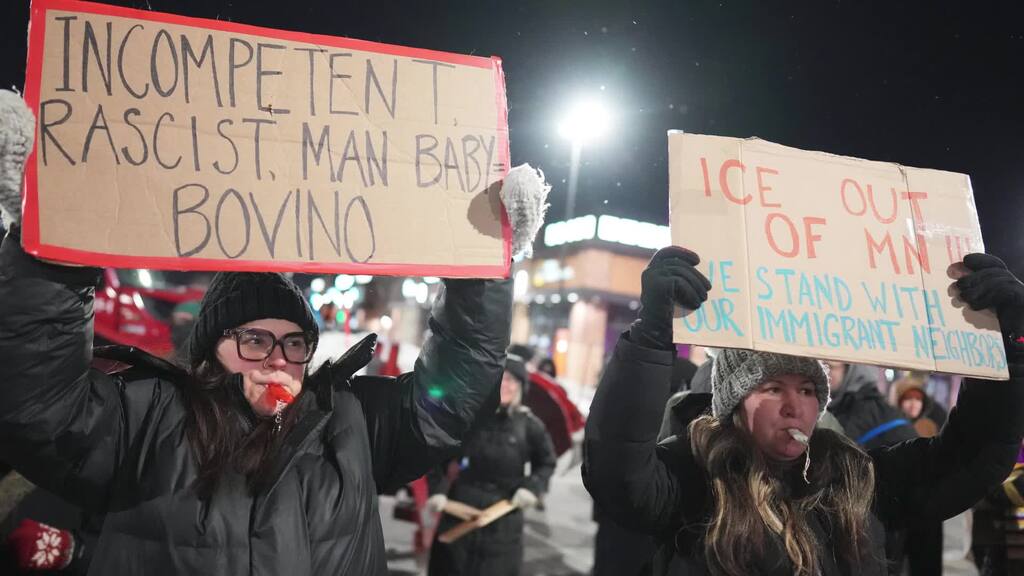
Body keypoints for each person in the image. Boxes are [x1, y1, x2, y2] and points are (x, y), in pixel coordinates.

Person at [0, 97, 529, 576]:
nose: (277, 360)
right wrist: (48, 254)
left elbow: (454, 398)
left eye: (294, 342)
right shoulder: (147, 418)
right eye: (255, 340)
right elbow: (39, 405)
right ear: (213, 346)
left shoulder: (351, 422)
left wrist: (482, 279)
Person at [583, 246, 1024, 576]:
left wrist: (1010, 350)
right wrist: (651, 334)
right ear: (734, 401)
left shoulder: (855, 477)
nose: (795, 406)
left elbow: (972, 457)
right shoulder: (693, 478)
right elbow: (617, 469)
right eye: (773, 388)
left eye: (810, 389)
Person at [426, 355, 557, 576]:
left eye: (512, 381)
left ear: (520, 388)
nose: (506, 385)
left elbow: (547, 462)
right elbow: (438, 456)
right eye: (501, 379)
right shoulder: (470, 419)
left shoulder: (529, 425)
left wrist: (532, 487)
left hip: (503, 521)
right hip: (459, 516)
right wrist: (437, 491)